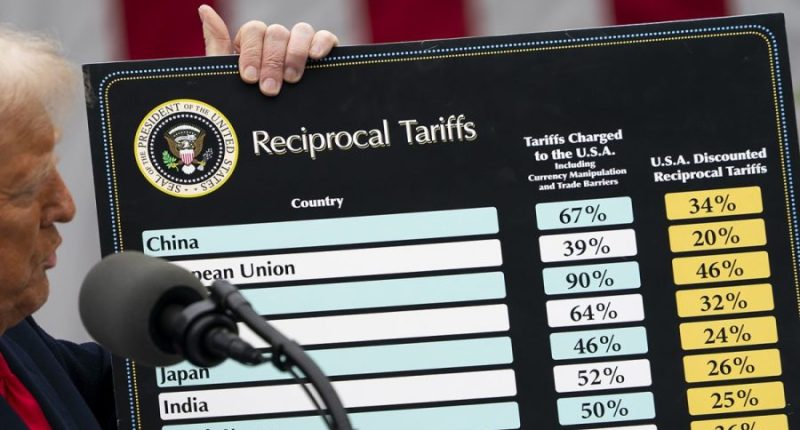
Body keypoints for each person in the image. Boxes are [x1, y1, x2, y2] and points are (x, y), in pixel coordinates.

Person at [0, 5, 337, 428]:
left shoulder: (15, 344)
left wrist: (248, 133)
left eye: (56, 167)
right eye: (30, 185)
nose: (65, 207)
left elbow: (157, 392)